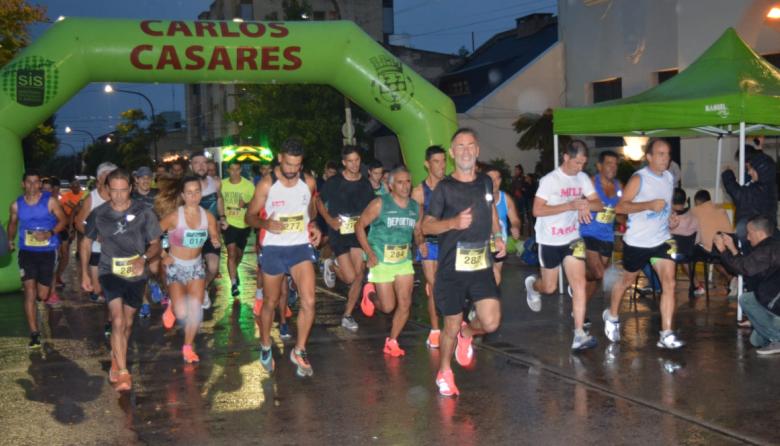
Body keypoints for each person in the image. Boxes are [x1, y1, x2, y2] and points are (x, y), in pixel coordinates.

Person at [422, 128, 505, 397]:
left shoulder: (484, 183)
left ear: (477, 150)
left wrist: (497, 236)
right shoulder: (444, 188)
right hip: (451, 268)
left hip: (480, 264)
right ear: (451, 152)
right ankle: (444, 371)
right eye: (460, 146)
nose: (466, 151)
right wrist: (454, 223)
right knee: (450, 324)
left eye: (471, 146)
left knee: (491, 323)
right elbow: (427, 226)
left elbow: (491, 209)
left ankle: (468, 334)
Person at [80, 169, 162, 391]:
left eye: (122, 190)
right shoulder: (99, 213)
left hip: (136, 274)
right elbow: (86, 242)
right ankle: (124, 373)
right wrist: (85, 273)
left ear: (130, 189)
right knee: (116, 320)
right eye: (113, 190)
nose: (117, 195)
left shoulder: (144, 212)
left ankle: (117, 358)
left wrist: (143, 259)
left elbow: (156, 243)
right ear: (107, 190)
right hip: (109, 271)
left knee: (127, 322)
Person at [246, 138, 321, 377]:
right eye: (288, 164)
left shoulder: (308, 181)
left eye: (297, 165)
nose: (292, 170)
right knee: (271, 301)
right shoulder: (267, 185)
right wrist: (265, 222)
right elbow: (249, 217)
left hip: (299, 246)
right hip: (274, 248)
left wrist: (315, 226)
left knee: (309, 301)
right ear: (280, 158)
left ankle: (299, 350)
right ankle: (266, 343)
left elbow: (312, 210)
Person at [603, 138, 684, 349]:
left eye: (667, 154)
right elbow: (620, 208)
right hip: (637, 242)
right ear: (649, 157)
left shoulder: (668, 177)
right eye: (660, 154)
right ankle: (612, 316)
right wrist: (648, 205)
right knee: (627, 280)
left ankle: (666, 333)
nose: (665, 159)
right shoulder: (639, 179)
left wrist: (671, 216)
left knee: (670, 283)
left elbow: (664, 207)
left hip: (662, 239)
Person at [525, 140, 602, 351]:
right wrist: (569, 205)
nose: (580, 167)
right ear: (566, 157)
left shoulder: (583, 178)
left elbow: (598, 203)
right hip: (549, 239)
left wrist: (586, 203)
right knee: (549, 287)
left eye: (583, 163)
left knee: (579, 284)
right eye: (577, 162)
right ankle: (532, 286)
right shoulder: (551, 181)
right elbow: (537, 211)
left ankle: (579, 334)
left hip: (572, 238)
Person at [356, 166, 423, 356]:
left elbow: (417, 231)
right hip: (381, 260)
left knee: (405, 303)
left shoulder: (415, 207)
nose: (405, 186)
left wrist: (421, 243)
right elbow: (360, 226)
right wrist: (369, 253)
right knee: (387, 307)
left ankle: (392, 341)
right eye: (400, 182)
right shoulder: (380, 204)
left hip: (404, 260)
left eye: (408, 181)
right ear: (391, 185)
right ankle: (369, 295)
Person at [158, 175, 221, 362]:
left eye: (197, 192)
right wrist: (164, 255)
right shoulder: (174, 217)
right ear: (183, 195)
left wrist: (216, 239)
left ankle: (188, 347)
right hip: (176, 266)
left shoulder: (207, 216)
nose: (194, 196)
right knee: (182, 313)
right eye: (189, 193)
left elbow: (214, 235)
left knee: (195, 309)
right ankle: (172, 306)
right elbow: (150, 236)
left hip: (196, 267)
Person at [317, 146, 375, 332]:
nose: (354, 164)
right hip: (339, 232)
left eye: (357, 160)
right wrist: (329, 220)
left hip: (357, 232)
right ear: (344, 163)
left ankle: (347, 315)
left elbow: (371, 208)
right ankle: (331, 265)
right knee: (349, 277)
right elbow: (318, 201)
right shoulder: (334, 182)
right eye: (350, 161)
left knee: (359, 275)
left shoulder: (365, 184)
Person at [7, 170, 67, 348]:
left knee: (43, 294)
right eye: (29, 182)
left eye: (36, 182)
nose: (32, 186)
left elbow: (63, 220)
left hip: (48, 252)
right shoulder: (16, 205)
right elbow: (12, 224)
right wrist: (10, 241)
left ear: (40, 184)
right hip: (27, 252)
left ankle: (41, 303)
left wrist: (49, 233)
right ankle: (34, 333)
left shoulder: (49, 201)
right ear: (23, 184)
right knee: (29, 291)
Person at [715, 215, 780, 355]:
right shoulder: (770, 246)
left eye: (749, 233)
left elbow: (744, 269)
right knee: (756, 340)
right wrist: (732, 249)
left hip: (776, 305)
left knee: (746, 299)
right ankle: (772, 333)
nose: (748, 238)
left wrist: (723, 251)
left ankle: (777, 338)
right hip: (774, 303)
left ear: (759, 233)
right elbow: (747, 265)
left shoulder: (767, 251)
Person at [579, 150, 622, 322]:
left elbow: (620, 210)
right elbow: (579, 203)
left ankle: (579, 310)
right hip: (588, 232)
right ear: (599, 166)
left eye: (615, 164)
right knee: (599, 273)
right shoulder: (590, 183)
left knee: (594, 279)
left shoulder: (619, 186)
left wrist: (624, 220)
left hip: (607, 235)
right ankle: (579, 283)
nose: (613, 167)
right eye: (609, 163)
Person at [411, 146, 447, 348]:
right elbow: (417, 222)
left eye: (443, 161)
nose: (441, 166)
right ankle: (435, 330)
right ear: (427, 164)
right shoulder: (419, 191)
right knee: (434, 287)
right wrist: (420, 242)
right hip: (430, 243)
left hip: (449, 242)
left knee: (449, 285)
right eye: (436, 161)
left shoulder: (451, 185)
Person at [74, 162, 117, 306]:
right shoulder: (92, 198)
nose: (108, 176)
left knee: (115, 290)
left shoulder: (121, 196)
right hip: (96, 249)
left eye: (111, 173)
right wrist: (95, 236)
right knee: (98, 288)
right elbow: (79, 222)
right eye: (105, 174)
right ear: (99, 179)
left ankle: (114, 320)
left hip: (118, 251)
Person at [190, 151, 226, 309]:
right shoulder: (186, 185)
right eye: (197, 163)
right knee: (192, 269)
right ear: (191, 166)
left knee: (213, 267)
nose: (201, 166)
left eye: (203, 162)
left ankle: (203, 288)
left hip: (212, 233)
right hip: (192, 234)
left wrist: (222, 217)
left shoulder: (216, 182)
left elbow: (219, 199)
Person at [722, 148, 777, 246]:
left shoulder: (761, 189)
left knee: (743, 228)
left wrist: (728, 175)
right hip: (763, 232)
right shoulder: (765, 185)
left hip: (758, 235)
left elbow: (739, 195)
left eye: (752, 169)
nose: (749, 172)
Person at [220, 160, 255, 298]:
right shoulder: (222, 184)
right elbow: (218, 201)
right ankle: (233, 284)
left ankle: (235, 270)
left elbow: (255, 203)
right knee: (232, 253)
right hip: (228, 224)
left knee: (238, 255)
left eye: (237, 169)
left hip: (244, 224)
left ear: (241, 170)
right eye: (232, 169)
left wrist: (246, 203)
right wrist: (221, 218)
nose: (234, 172)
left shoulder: (248, 185)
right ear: (228, 170)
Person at [690, 189, 735, 294]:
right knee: (716, 258)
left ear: (697, 202)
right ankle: (732, 279)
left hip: (713, 250)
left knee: (688, 254)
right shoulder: (721, 210)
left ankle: (697, 286)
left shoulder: (695, 211)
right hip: (730, 247)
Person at [483, 165, 521, 286]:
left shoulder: (506, 199)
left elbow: (515, 219)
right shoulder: (476, 197)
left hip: (499, 243)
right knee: (484, 275)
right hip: (480, 243)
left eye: (497, 179)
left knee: (496, 275)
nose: (494, 182)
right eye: (490, 179)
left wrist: (515, 227)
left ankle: (490, 302)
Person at [56, 176, 85, 289]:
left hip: (81, 220)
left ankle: (79, 252)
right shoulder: (66, 196)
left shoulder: (83, 194)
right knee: (70, 240)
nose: (76, 187)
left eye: (78, 185)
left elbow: (79, 208)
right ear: (70, 187)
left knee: (81, 237)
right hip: (68, 221)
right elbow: (73, 208)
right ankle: (62, 253)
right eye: (74, 186)